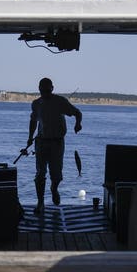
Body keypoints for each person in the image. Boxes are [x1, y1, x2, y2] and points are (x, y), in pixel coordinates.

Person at [26, 77, 82, 215]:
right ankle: (40, 203)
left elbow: (77, 113)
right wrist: (29, 138)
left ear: (52, 88)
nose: (44, 92)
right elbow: (33, 121)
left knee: (56, 175)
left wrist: (77, 123)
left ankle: (54, 188)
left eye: (47, 89)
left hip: (57, 143)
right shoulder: (36, 104)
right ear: (39, 89)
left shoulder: (60, 102)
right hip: (41, 142)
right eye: (42, 90)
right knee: (40, 173)